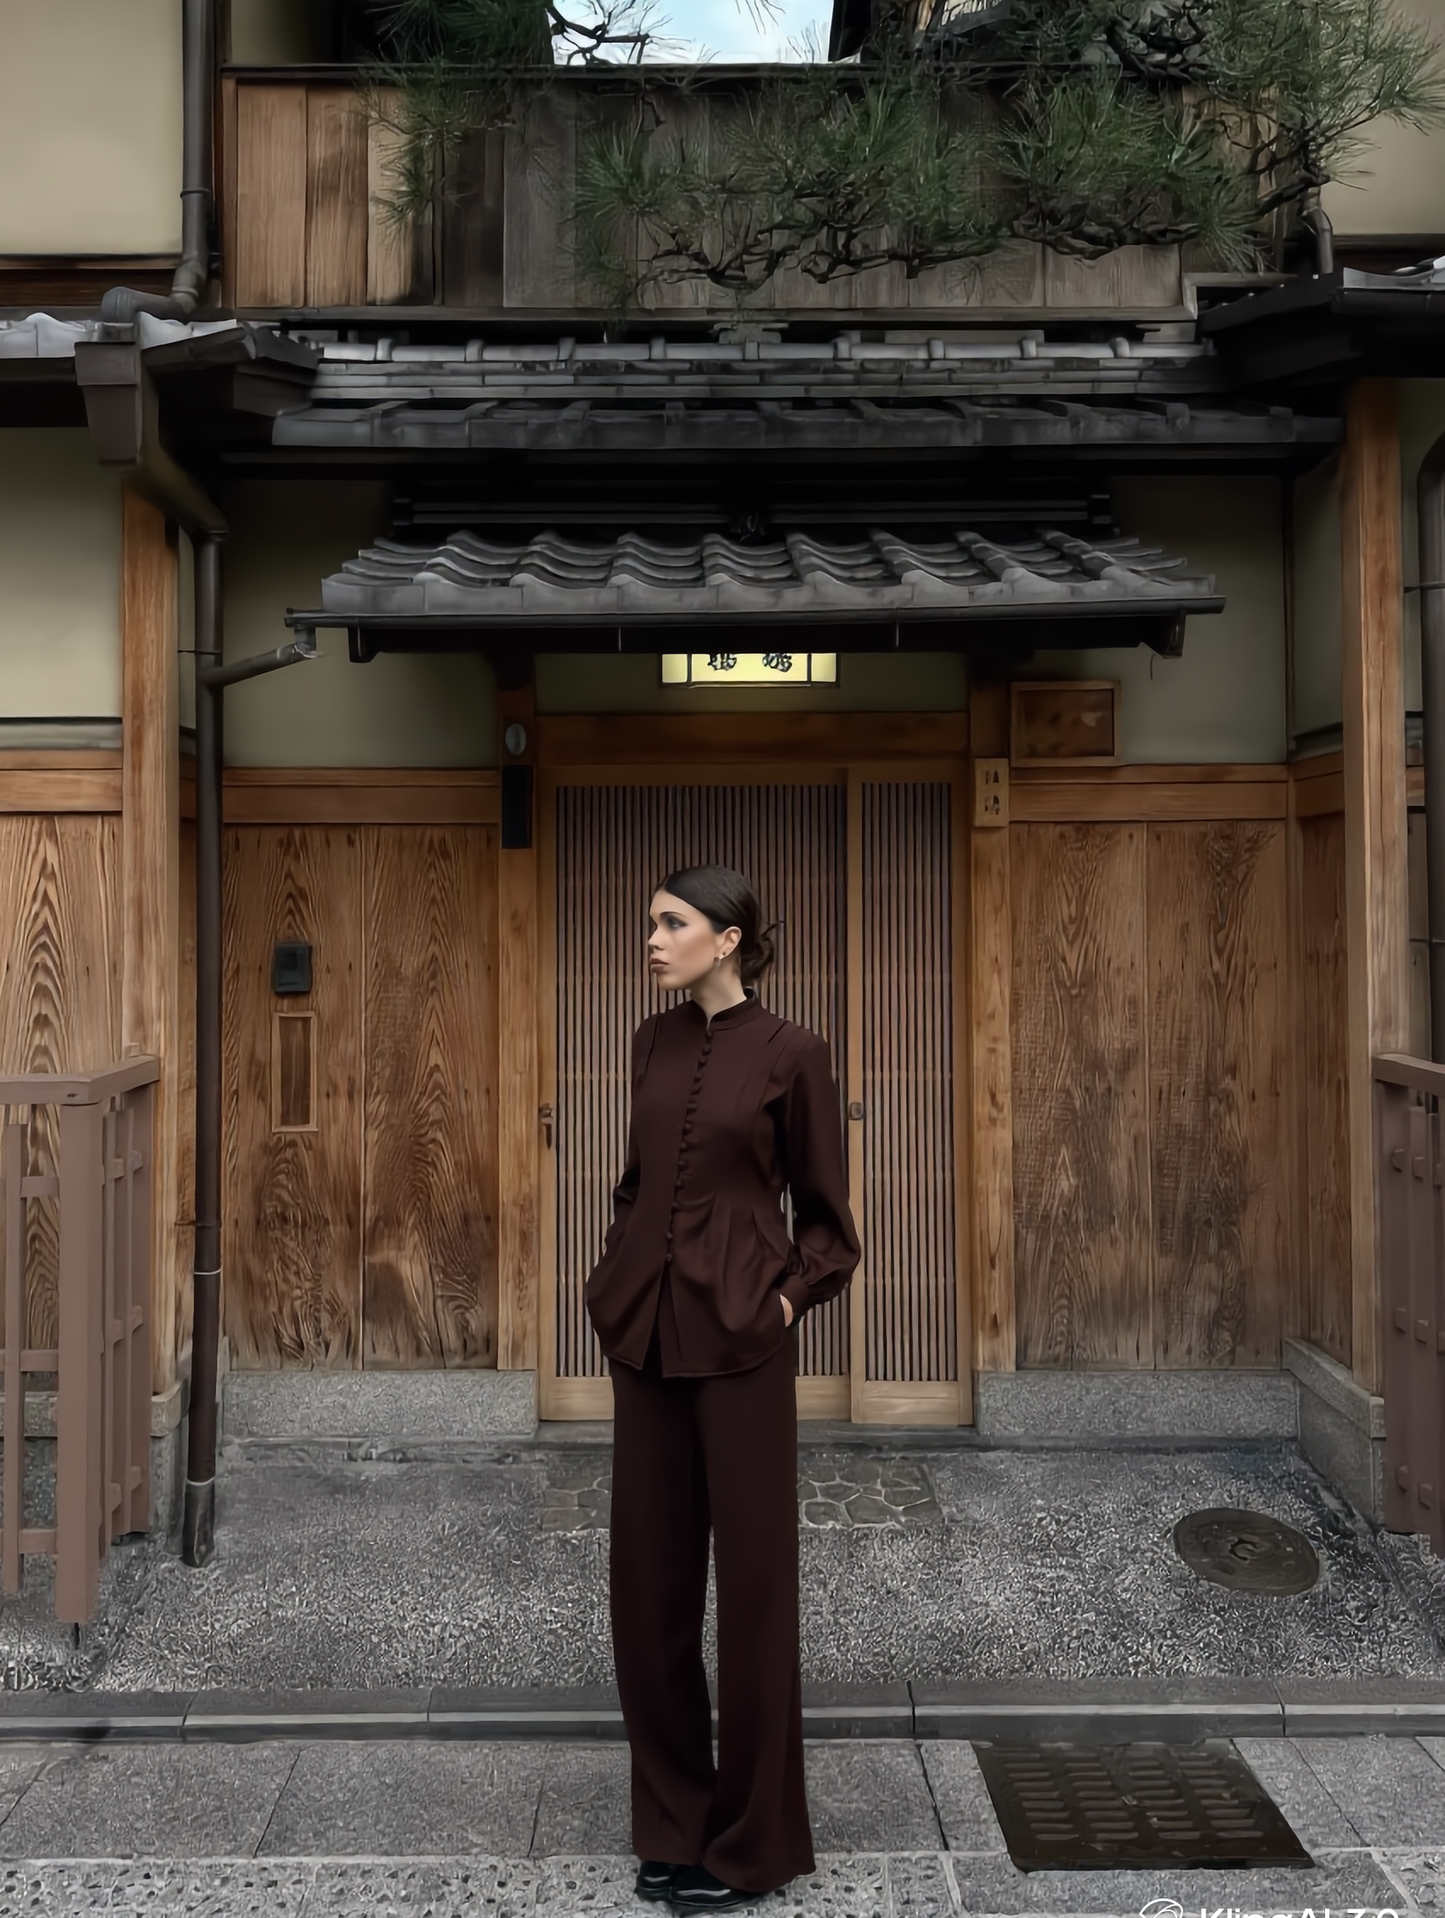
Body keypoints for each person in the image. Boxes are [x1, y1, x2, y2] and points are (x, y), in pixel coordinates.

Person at [584, 863, 862, 1913]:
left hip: (744, 1346)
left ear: (729, 938)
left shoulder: (795, 1054)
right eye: (650, 921)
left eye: (671, 923)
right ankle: (671, 1819)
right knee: (645, 1594)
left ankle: (750, 1839)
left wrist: (784, 1304)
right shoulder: (649, 1043)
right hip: (644, 1347)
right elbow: (634, 1183)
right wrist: (612, 1271)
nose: (652, 939)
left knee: (750, 1597)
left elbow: (828, 1224)